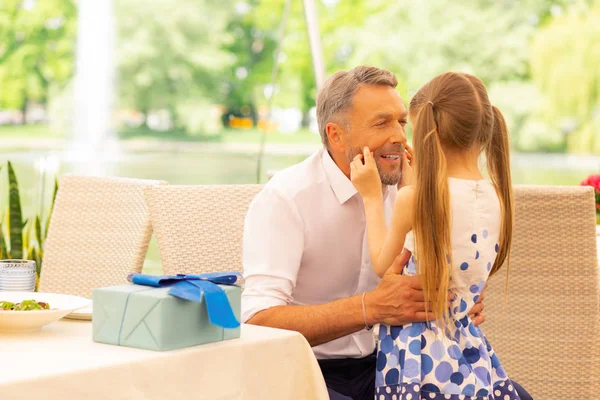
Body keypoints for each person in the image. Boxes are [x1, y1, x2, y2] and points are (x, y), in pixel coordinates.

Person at [241, 66, 529, 400]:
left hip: (391, 363)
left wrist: (461, 294)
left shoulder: (415, 188)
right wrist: (370, 308)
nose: (399, 137)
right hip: (305, 370)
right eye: (382, 123)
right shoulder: (286, 198)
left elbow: (456, 254)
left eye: (402, 122)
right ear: (336, 135)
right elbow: (257, 322)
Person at [351, 71, 523, 399]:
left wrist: (372, 198)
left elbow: (383, 266)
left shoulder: (412, 200)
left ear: (432, 132)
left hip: (418, 357)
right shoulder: (496, 197)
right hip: (469, 355)